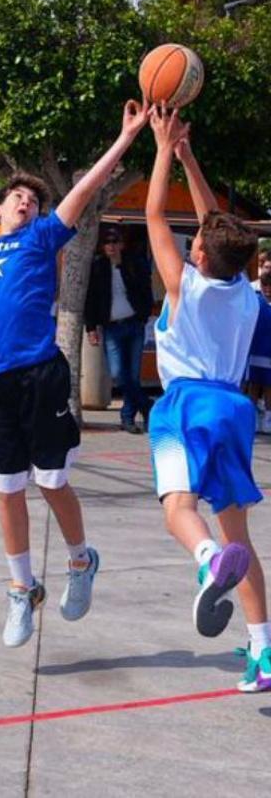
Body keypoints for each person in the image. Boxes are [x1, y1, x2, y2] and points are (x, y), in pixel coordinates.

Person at [0, 99, 151, 649]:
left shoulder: (41, 239)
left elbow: (84, 191)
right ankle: (22, 588)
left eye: (33, 199)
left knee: (52, 480)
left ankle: (81, 560)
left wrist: (127, 136)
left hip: (39, 373)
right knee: (7, 487)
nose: (26, 200)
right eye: (17, 195)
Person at [145, 105, 271, 692]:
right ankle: (264, 651)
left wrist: (162, 149)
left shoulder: (183, 284)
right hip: (235, 407)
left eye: (194, 241)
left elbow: (152, 212)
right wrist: (190, 155)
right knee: (239, 535)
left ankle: (204, 560)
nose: (194, 240)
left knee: (178, 508)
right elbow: (214, 224)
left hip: (186, 404)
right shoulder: (244, 292)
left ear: (196, 256)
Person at [84, 225, 154, 433]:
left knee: (132, 374)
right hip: (112, 327)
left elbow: (144, 289)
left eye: (115, 242)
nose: (111, 247)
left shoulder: (134, 264)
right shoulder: (97, 268)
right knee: (117, 374)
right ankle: (146, 404)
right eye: (107, 243)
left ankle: (127, 417)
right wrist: (91, 327)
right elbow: (92, 299)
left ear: (122, 245)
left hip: (133, 324)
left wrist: (143, 315)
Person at [246, 271, 271, 434]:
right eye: (265, 286)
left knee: (269, 386)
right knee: (253, 385)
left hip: (270, 353)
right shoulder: (254, 300)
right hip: (254, 351)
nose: (267, 290)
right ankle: (252, 418)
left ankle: (268, 419)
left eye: (270, 287)